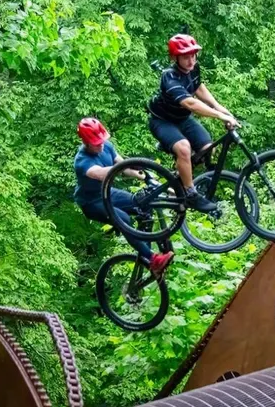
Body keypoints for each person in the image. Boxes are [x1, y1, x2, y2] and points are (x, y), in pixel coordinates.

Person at [148, 34, 237, 214]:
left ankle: (180, 179)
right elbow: (191, 103)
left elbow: (199, 89)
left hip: (182, 120)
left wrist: (224, 111)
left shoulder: (194, 69)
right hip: (162, 121)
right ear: (175, 58)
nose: (191, 61)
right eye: (186, 57)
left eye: (193, 56)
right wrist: (220, 116)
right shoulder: (169, 77)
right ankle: (190, 194)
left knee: (208, 148)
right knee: (184, 148)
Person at [73, 117, 173, 273]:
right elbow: (101, 173)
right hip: (91, 202)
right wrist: (127, 165)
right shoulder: (82, 161)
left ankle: (148, 250)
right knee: (123, 219)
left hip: (108, 192)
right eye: (96, 143)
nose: (101, 145)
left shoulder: (106, 146)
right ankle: (153, 259)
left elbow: (123, 166)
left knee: (143, 203)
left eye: (102, 140)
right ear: (86, 143)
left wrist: (145, 176)